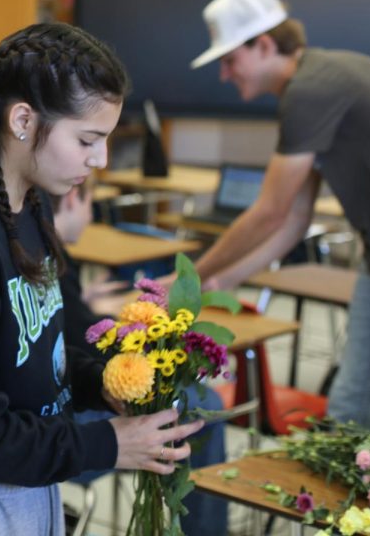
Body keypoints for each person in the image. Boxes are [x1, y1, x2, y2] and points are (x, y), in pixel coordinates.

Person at [0, 23, 204, 536]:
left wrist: (102, 383)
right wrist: (108, 444)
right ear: (23, 120)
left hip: (15, 486)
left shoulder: (27, 204)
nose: (101, 160)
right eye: (88, 140)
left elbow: (30, 356)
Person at [189, 0, 370, 432]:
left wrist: (192, 279)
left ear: (263, 45)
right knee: (349, 413)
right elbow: (294, 220)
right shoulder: (320, 80)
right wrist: (223, 281)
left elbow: (269, 212)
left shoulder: (311, 91)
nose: (224, 74)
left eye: (229, 59)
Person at [53, 184, 228, 536]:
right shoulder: (48, 251)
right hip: (65, 430)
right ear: (73, 196)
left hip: (59, 411)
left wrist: (85, 304)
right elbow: (85, 343)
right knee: (205, 408)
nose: (91, 218)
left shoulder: (31, 239)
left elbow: (65, 321)